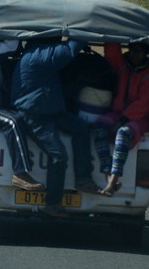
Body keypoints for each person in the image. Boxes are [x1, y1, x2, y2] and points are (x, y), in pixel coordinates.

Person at [10, 38, 100, 216]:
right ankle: (52, 203)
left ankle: (83, 178)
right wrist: (85, 29)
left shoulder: (35, 53)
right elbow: (69, 50)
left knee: (81, 128)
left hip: (50, 109)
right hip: (33, 113)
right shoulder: (38, 55)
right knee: (58, 155)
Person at [93, 41, 149, 196]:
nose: (135, 55)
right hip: (119, 113)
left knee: (123, 133)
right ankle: (107, 170)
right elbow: (111, 50)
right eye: (132, 50)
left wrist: (123, 120)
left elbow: (143, 104)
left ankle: (113, 180)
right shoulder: (123, 66)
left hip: (140, 118)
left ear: (145, 54)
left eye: (139, 52)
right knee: (100, 125)